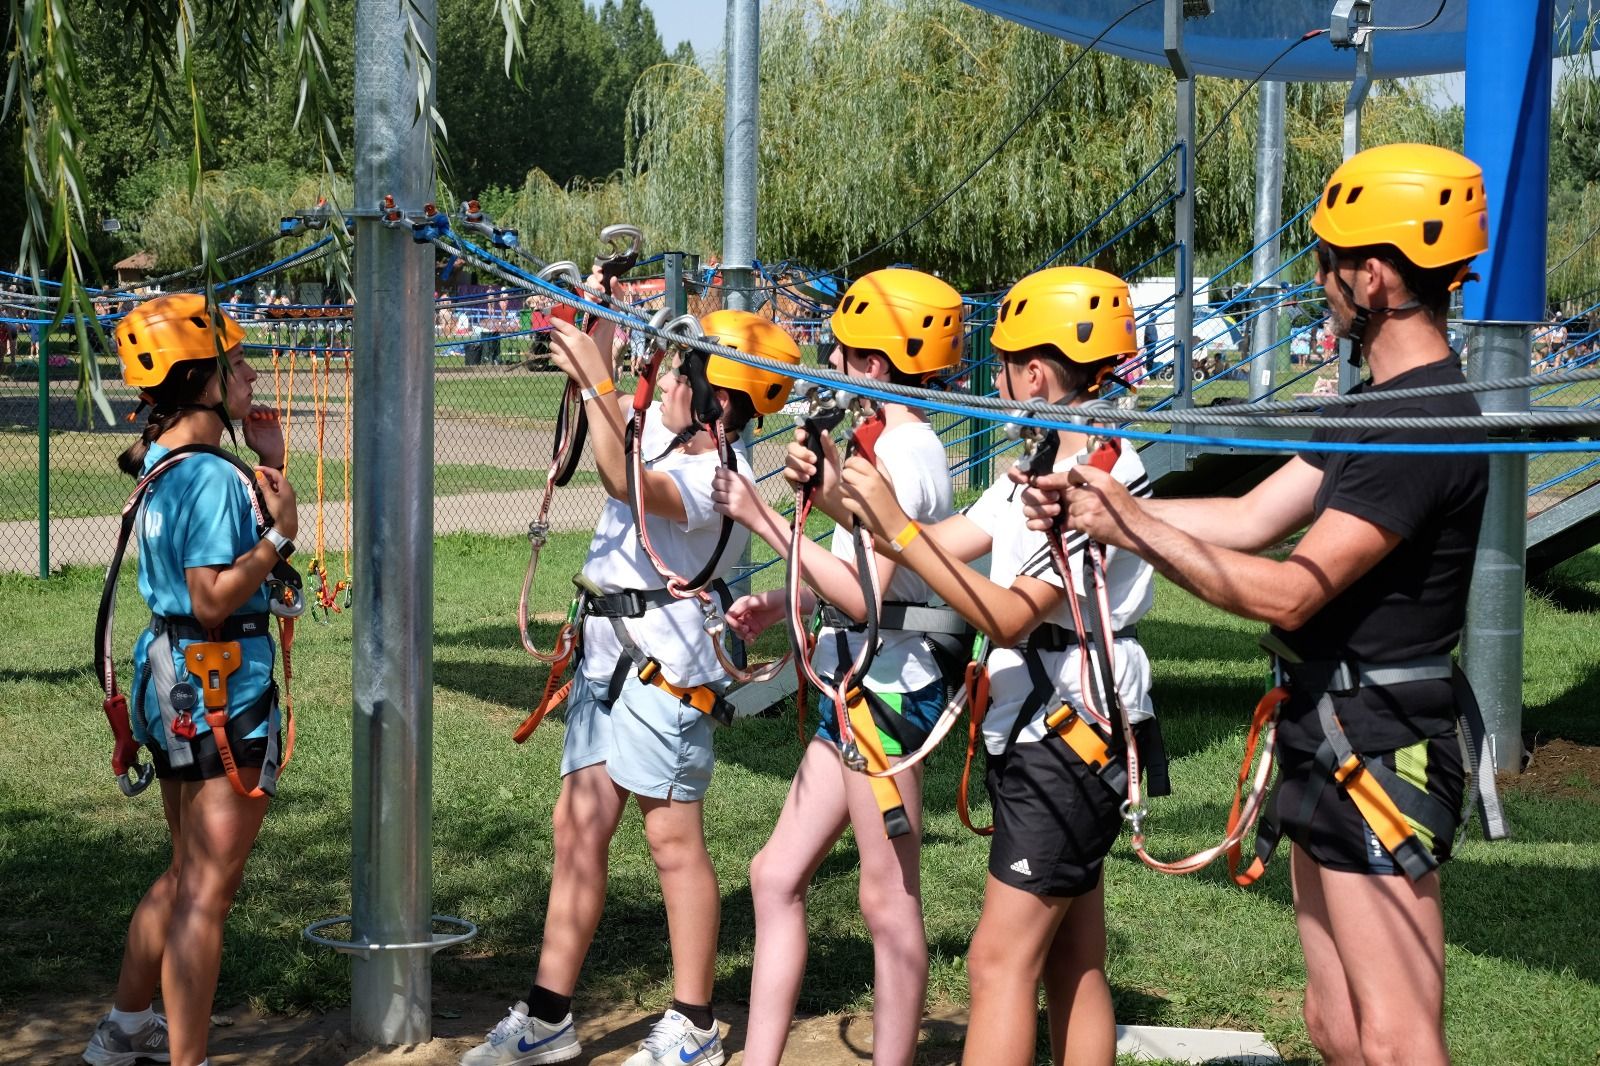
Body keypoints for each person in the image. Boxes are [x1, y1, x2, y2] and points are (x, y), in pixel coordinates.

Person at [1026, 143, 1494, 1066]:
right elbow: (1248, 516)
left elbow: (1290, 588)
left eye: (1327, 264)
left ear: (1374, 276)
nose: (1319, 283)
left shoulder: (1422, 421)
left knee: (1396, 1039)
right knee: (1335, 1024)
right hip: (1328, 730)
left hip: (1377, 743)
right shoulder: (1376, 407)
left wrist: (1128, 525)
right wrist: (1103, 502)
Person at [461, 290, 799, 1066]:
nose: (671, 376)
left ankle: (695, 1024)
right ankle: (548, 1016)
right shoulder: (673, 441)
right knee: (576, 828)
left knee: (673, 842)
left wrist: (597, 379)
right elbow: (615, 432)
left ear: (720, 397)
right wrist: (598, 310)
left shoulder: (718, 470)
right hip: (610, 660)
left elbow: (621, 482)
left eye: (687, 369)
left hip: (664, 672)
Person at [838, 266, 1158, 1066]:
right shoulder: (1046, 458)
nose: (1001, 378)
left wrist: (898, 532)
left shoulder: (1097, 478)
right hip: (1045, 723)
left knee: (996, 961)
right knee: (1071, 959)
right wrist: (854, 506)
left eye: (1008, 362)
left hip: (1066, 728)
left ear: (1038, 372)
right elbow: (946, 545)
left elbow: (1009, 613)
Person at [709, 269, 965, 1066]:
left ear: (878, 365)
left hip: (889, 698)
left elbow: (865, 594)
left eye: (844, 354)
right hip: (859, 682)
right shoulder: (880, 443)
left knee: (886, 902)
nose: (833, 366)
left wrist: (760, 517)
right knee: (773, 873)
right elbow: (851, 569)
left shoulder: (907, 452)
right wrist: (785, 614)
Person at [84, 294, 297, 1066]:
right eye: (235, 363)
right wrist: (280, 536)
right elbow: (213, 593)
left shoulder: (167, 462)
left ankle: (126, 1028)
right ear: (201, 380)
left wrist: (269, 463)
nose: (246, 373)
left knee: (183, 876)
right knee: (207, 893)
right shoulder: (207, 477)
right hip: (221, 694)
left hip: (174, 684)